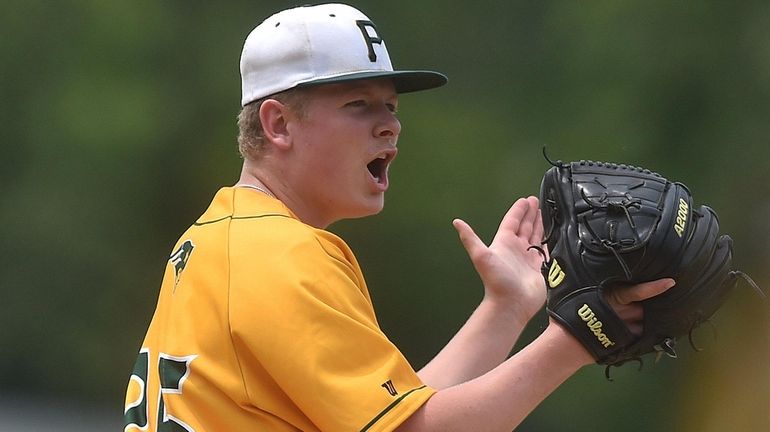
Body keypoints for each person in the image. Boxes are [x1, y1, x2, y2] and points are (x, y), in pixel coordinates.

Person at [123, 3, 674, 431]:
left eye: (391, 106)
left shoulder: (220, 237)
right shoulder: (283, 254)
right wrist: (576, 339)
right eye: (358, 104)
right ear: (278, 125)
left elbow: (392, 414)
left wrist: (507, 309)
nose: (390, 125)